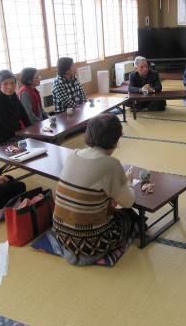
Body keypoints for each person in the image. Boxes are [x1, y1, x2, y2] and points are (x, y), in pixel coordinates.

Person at [52, 113, 137, 266]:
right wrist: (128, 182)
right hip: (90, 242)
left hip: (60, 234)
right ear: (116, 139)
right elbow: (129, 201)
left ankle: (76, 251)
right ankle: (88, 253)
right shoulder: (110, 164)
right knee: (130, 217)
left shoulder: (73, 155)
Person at [0, 70, 31, 146]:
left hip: (15, 134)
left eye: (12, 83)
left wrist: (31, 129)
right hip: (2, 139)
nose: (10, 87)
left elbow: (23, 114)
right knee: (34, 145)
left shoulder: (13, 95)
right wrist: (24, 133)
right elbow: (9, 125)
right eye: (5, 84)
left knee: (42, 139)